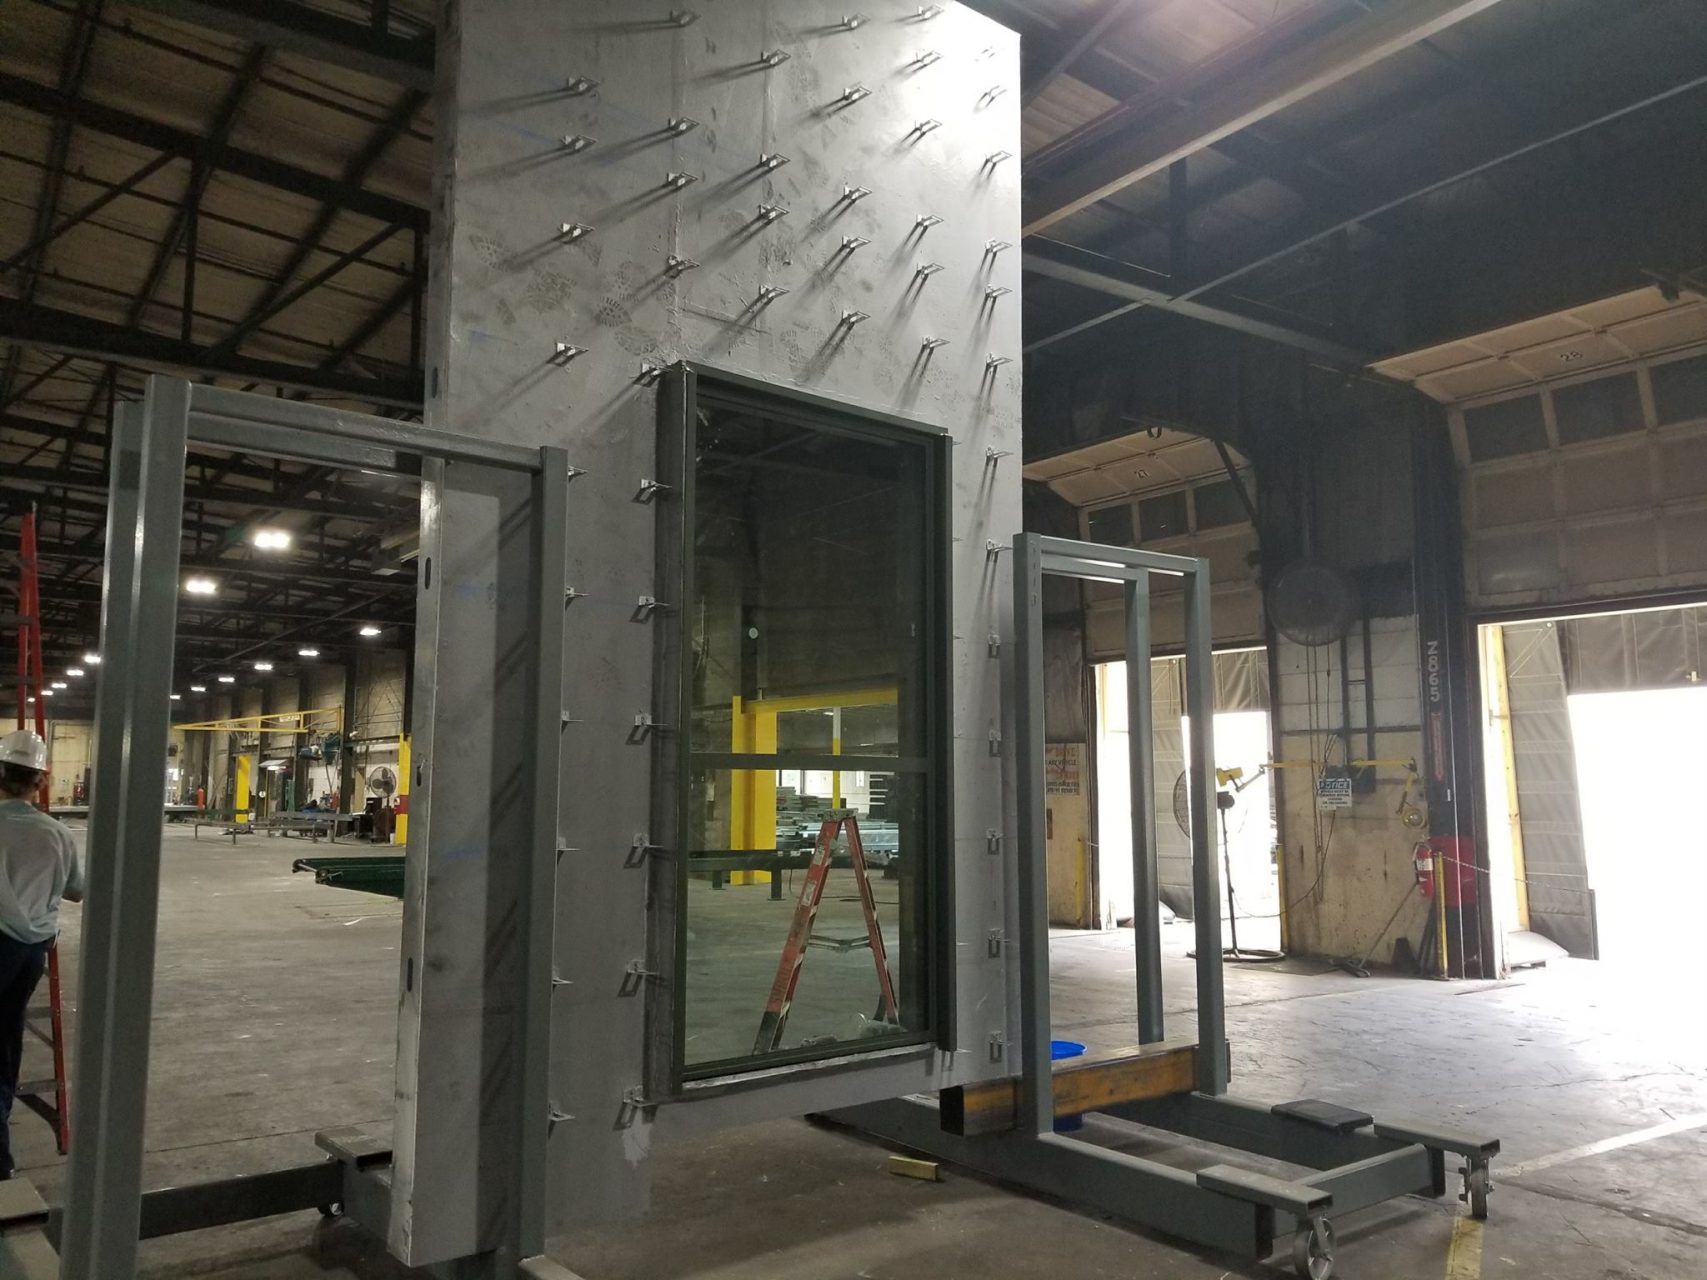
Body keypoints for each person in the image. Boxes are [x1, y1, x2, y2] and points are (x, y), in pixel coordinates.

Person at [0, 731, 83, 1180]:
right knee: (6, 1041)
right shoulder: (57, 834)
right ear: (41, 780)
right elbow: (77, 890)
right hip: (32, 953)